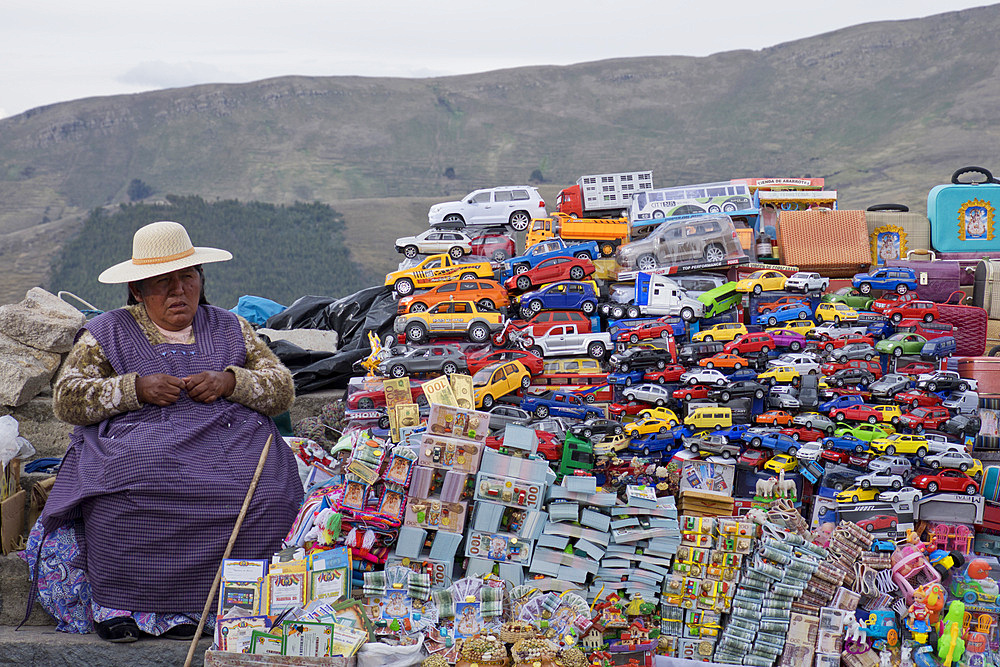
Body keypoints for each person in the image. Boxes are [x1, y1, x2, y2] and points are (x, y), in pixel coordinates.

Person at [22, 221, 303, 642]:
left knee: (268, 493)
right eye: (162, 282)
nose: (178, 291)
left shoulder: (230, 327)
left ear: (200, 280)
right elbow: (68, 399)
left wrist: (231, 382)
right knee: (123, 487)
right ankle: (117, 605)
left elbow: (281, 388)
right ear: (137, 289)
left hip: (225, 441)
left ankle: (214, 607)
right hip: (140, 442)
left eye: (187, 278)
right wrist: (134, 388)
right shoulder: (107, 332)